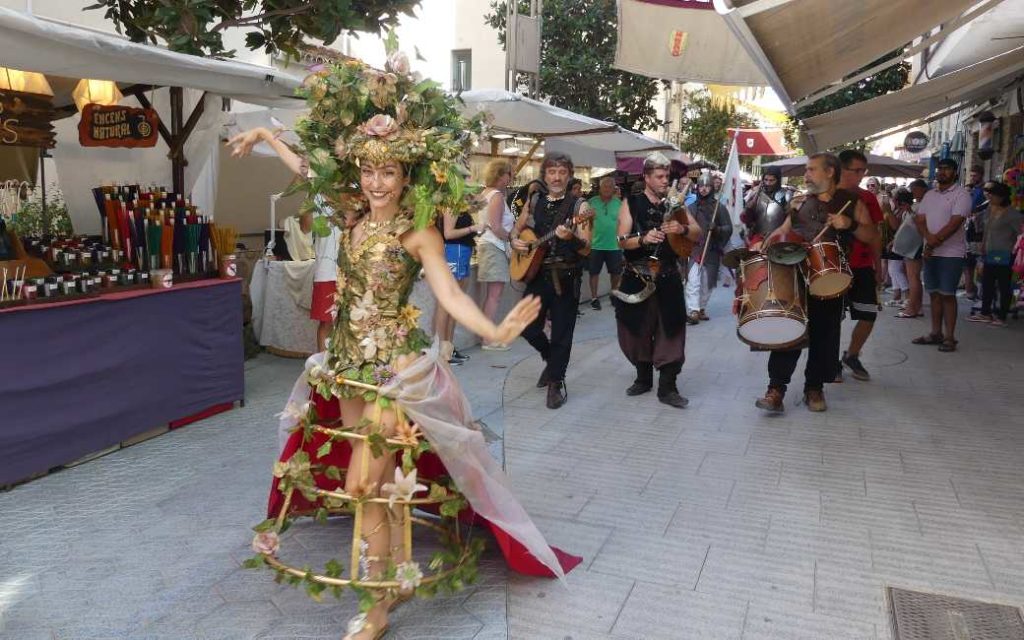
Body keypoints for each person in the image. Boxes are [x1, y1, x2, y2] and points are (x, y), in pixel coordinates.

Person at [227, 51, 573, 640]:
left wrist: (490, 329)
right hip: (345, 364)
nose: (376, 182)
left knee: (365, 482)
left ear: (406, 176)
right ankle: (390, 581)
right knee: (377, 485)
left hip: (395, 367)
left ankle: (377, 605)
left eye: (388, 172)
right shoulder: (353, 216)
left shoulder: (420, 233)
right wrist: (264, 132)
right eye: (368, 170)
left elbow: (448, 294)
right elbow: (309, 173)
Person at [754, 152, 878, 413]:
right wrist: (766, 242)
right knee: (789, 329)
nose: (806, 175)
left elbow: (871, 235)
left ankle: (814, 388)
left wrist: (850, 224)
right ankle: (776, 389)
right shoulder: (800, 202)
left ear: (830, 172)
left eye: (811, 170)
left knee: (825, 334)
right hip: (796, 274)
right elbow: (782, 232)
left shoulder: (852, 202)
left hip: (830, 277)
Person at [614, 152, 700, 408]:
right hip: (636, 276)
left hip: (668, 275)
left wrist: (681, 229)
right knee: (634, 331)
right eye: (660, 177)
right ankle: (643, 377)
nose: (665, 181)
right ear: (647, 177)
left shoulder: (676, 203)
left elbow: (696, 231)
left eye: (667, 176)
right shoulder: (632, 202)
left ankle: (668, 387)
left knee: (671, 331)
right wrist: (642, 239)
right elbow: (620, 241)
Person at [511, 152, 593, 409]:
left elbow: (587, 247)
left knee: (561, 334)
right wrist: (514, 240)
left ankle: (556, 382)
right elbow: (517, 229)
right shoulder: (534, 200)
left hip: (566, 277)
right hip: (537, 275)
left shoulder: (581, 207)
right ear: (544, 175)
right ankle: (550, 359)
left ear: (569, 176)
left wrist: (571, 238)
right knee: (525, 326)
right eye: (552, 172)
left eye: (562, 173)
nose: (557, 177)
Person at [912, 158, 971, 353]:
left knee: (947, 295)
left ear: (955, 172)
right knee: (934, 294)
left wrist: (933, 243)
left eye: (946, 169)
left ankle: (950, 337)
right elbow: (920, 220)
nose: (942, 172)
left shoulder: (962, 194)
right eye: (940, 169)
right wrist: (929, 241)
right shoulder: (930, 194)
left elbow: (955, 223)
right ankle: (935, 333)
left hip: (951, 254)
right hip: (931, 252)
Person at [835, 150, 883, 382]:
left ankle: (852, 355)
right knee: (833, 318)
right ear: (842, 169)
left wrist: (879, 267)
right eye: (858, 170)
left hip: (862, 265)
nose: (862, 175)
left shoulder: (867, 198)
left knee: (868, 314)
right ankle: (830, 360)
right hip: (835, 265)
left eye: (864, 171)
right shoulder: (826, 195)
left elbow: (875, 235)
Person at [968, 181, 1023, 327]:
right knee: (987, 283)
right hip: (990, 253)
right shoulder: (989, 209)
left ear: (1002, 196)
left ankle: (1002, 315)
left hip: (1006, 254)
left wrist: (1016, 252)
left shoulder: (1013, 214)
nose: (989, 197)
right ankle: (985, 313)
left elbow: (1021, 234)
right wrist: (983, 245)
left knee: (1004, 285)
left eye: (993, 194)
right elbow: (986, 229)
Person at [435, 206, 485, 364]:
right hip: (454, 251)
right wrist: (473, 228)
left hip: (461, 251)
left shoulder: (460, 204)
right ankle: (442, 351)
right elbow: (448, 233)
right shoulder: (451, 204)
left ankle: (449, 348)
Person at [476, 159, 515, 350]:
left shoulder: (485, 193)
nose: (511, 177)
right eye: (509, 174)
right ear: (501, 175)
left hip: (488, 246)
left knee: (492, 295)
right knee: (494, 295)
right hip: (494, 246)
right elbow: (496, 227)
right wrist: (512, 239)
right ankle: (488, 339)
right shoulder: (497, 196)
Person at [685, 173, 733, 323]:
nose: (704, 189)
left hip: (711, 249)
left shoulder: (719, 208)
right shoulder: (691, 208)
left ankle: (701, 308)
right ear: (697, 188)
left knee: (707, 283)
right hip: (695, 249)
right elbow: (685, 228)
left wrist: (717, 229)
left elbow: (728, 228)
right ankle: (693, 310)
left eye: (707, 186)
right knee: (693, 281)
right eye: (701, 186)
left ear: (712, 188)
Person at [586, 175, 623, 310]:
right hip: (595, 244)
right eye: (605, 186)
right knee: (593, 272)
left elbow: (622, 223)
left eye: (610, 186)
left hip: (614, 245)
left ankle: (613, 293)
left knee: (616, 272)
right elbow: (584, 222)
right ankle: (594, 298)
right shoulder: (591, 202)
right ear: (600, 188)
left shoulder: (619, 203)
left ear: (614, 188)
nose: (607, 188)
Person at [896, 179, 930, 319]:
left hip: (916, 245)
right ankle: (918, 307)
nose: (913, 192)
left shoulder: (925, 205)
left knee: (913, 278)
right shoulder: (917, 204)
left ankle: (911, 308)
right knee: (913, 277)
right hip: (909, 245)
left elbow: (921, 224)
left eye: (914, 189)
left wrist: (909, 210)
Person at [742, 165, 790, 247]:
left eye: (772, 180)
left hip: (779, 240)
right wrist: (749, 209)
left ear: (778, 180)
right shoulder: (756, 195)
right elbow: (747, 221)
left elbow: (790, 222)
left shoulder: (786, 196)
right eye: (766, 180)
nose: (768, 183)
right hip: (758, 238)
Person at [884, 189, 914, 309]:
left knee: (895, 269)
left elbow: (897, 226)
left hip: (902, 243)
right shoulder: (898, 210)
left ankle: (907, 295)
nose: (893, 200)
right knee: (892, 270)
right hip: (897, 242)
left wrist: (888, 212)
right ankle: (897, 295)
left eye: (895, 198)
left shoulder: (904, 211)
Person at [963, 165, 987, 300]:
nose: (972, 178)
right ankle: (969, 290)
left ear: (981, 175)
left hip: (978, 231)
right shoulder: (971, 190)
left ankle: (978, 291)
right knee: (967, 262)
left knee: (978, 262)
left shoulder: (984, 190)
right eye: (971, 176)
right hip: (968, 229)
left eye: (975, 176)